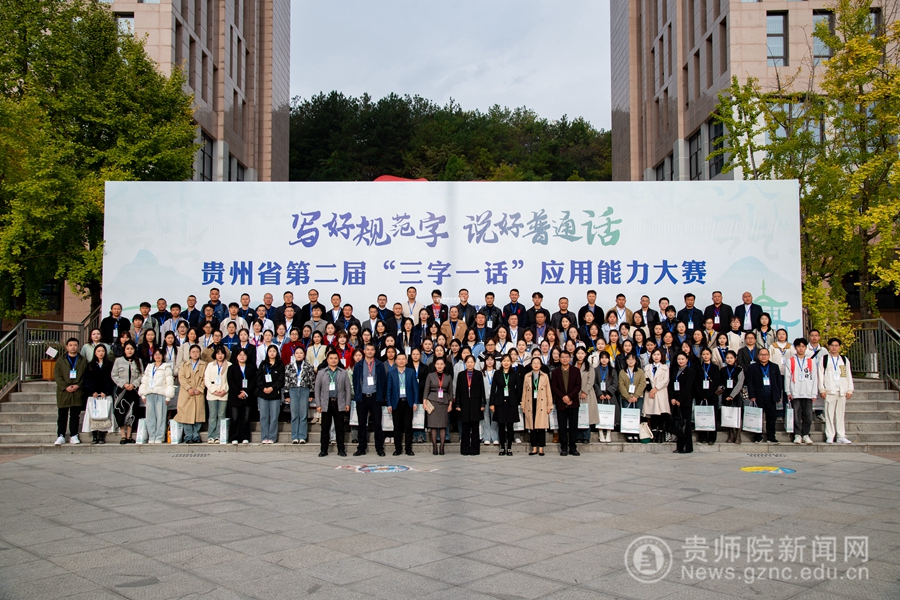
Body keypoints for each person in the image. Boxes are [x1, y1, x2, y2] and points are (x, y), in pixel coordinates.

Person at [353, 343, 387, 457]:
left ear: (375, 351)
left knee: (377, 424)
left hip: (375, 397)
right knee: (362, 424)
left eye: (372, 349)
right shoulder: (358, 365)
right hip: (362, 397)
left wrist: (381, 395)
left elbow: (383, 381)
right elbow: (355, 381)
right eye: (368, 349)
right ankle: (361, 448)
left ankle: (379, 448)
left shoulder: (379, 365)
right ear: (364, 351)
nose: (370, 351)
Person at [315, 351, 352, 457]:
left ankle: (341, 449)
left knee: (340, 428)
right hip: (326, 403)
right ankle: (323, 450)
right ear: (327, 360)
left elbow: (348, 389)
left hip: (339, 403)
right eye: (331, 358)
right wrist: (318, 404)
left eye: (335, 358)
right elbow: (317, 389)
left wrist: (347, 403)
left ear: (338, 359)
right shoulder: (321, 372)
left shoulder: (343, 372)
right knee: (325, 428)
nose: (333, 360)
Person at [819, 338, 854, 444]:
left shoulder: (844, 359)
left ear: (839, 347)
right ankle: (830, 435)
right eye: (832, 345)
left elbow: (848, 374)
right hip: (830, 390)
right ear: (829, 346)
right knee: (829, 413)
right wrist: (822, 389)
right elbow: (820, 374)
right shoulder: (824, 359)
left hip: (842, 390)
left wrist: (850, 389)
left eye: (836, 345)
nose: (834, 347)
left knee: (840, 413)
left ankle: (841, 435)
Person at [53, 337, 87, 445]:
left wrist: (78, 385)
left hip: (77, 391)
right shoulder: (61, 360)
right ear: (67, 347)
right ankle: (61, 435)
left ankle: (74, 435)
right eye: (71, 345)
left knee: (75, 415)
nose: (73, 347)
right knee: (62, 415)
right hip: (64, 391)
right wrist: (65, 386)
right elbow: (57, 375)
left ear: (78, 347)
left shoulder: (83, 360)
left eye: (75, 345)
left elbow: (85, 375)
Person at [138, 348, 175, 443]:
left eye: (159, 354)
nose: (157, 356)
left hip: (161, 394)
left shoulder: (166, 367)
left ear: (163, 356)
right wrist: (143, 394)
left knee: (161, 416)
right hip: (150, 393)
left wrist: (168, 396)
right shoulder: (149, 366)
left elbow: (169, 382)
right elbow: (144, 381)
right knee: (150, 416)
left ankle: (159, 437)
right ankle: (152, 436)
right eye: (155, 354)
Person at [745, 348, 782, 444]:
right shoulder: (752, 367)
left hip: (771, 397)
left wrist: (778, 395)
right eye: (761, 354)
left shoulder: (774, 367)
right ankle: (758, 436)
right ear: (758, 356)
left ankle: (771, 437)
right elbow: (749, 382)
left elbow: (778, 381)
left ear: (769, 356)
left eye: (765, 354)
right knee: (758, 417)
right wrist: (751, 395)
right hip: (758, 397)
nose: (763, 356)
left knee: (771, 418)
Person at [784, 338, 816, 445]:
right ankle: (797, 434)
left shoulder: (811, 361)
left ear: (806, 348)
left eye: (803, 346)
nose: (801, 349)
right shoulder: (791, 361)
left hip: (808, 392)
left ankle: (806, 434)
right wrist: (788, 391)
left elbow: (814, 378)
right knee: (796, 415)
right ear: (795, 348)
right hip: (795, 392)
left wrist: (814, 393)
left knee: (808, 415)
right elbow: (787, 377)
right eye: (798, 346)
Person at [386, 352, 419, 456]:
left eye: (403, 359)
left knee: (408, 426)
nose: (401, 361)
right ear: (396, 361)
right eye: (399, 359)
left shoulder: (411, 372)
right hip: (396, 402)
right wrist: (389, 404)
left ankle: (408, 449)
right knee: (397, 427)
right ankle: (398, 449)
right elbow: (388, 390)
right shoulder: (391, 373)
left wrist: (415, 402)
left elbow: (415, 388)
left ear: (406, 361)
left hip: (408, 402)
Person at [550, 350, 582, 456]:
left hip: (573, 402)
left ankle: (573, 447)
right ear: (559, 359)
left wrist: (569, 397)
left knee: (573, 426)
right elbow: (554, 387)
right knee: (562, 426)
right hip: (561, 402)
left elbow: (578, 386)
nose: (565, 359)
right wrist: (563, 397)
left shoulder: (576, 370)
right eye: (562, 357)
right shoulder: (555, 372)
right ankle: (564, 447)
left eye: (567, 357)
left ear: (570, 358)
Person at [111, 341, 143, 444]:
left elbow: (141, 375)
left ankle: (129, 436)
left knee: (132, 412)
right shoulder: (118, 360)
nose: (130, 351)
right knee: (120, 412)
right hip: (121, 390)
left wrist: (134, 384)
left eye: (131, 349)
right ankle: (123, 436)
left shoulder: (138, 361)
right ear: (124, 350)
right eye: (128, 349)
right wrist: (124, 384)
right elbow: (114, 375)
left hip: (133, 390)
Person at [519, 356, 551, 455]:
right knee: (532, 427)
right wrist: (523, 404)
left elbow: (548, 392)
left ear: (541, 365)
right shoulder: (527, 376)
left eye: (538, 363)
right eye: (534, 363)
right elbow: (524, 391)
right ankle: (534, 447)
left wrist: (549, 405)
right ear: (531, 365)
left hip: (541, 403)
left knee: (541, 427)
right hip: (530, 403)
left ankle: (541, 447)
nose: (536, 365)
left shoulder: (545, 376)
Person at [454, 355, 485, 455]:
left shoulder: (479, 374)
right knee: (465, 428)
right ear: (465, 363)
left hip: (476, 403)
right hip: (464, 404)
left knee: (475, 428)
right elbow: (458, 390)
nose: (470, 364)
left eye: (472, 362)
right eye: (468, 362)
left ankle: (475, 449)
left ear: (474, 363)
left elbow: (482, 389)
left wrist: (482, 403)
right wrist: (457, 404)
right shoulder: (461, 375)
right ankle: (465, 449)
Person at [84, 345, 115, 444]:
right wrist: (92, 391)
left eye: (102, 351)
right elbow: (87, 380)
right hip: (93, 395)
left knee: (103, 415)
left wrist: (105, 391)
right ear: (95, 352)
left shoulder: (110, 365)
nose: (101, 353)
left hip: (105, 394)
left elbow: (111, 380)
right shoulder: (90, 365)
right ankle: (94, 436)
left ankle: (101, 436)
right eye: (98, 351)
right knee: (93, 415)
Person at [175, 344, 206, 443]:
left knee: (198, 414)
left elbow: (206, 378)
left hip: (198, 392)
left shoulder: (204, 365)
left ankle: (196, 434)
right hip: (187, 393)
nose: (195, 354)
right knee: (186, 414)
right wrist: (188, 388)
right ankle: (188, 435)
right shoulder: (184, 364)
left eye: (197, 352)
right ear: (189, 353)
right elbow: (181, 378)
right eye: (193, 352)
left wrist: (200, 388)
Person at [423, 356, 453, 455]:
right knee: (433, 426)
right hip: (432, 401)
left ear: (444, 365)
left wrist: (450, 404)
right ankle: (435, 445)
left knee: (443, 425)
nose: (439, 366)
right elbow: (426, 389)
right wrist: (424, 402)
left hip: (444, 402)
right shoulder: (430, 375)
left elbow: (450, 391)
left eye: (441, 364)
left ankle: (442, 446)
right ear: (435, 365)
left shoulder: (448, 377)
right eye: (438, 364)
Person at [285, 346, 314, 444]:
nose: (299, 355)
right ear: (294, 355)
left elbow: (312, 380)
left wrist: (311, 393)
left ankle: (302, 436)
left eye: (301, 353)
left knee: (303, 414)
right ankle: (294, 436)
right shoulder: (289, 366)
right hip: (293, 389)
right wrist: (286, 394)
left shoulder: (309, 366)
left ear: (304, 354)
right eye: (297, 353)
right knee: (294, 414)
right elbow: (286, 381)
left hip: (304, 389)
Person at [668, 352, 696, 454]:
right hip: (675, 401)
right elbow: (670, 385)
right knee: (678, 425)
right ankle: (679, 446)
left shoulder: (690, 371)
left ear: (687, 360)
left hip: (684, 401)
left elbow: (688, 387)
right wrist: (672, 398)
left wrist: (680, 399)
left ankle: (687, 447)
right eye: (679, 359)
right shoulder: (675, 370)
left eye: (682, 359)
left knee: (686, 424)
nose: (680, 361)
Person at [227, 348, 257, 444]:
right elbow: (230, 381)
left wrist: (246, 392)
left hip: (247, 396)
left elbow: (253, 381)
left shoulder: (251, 368)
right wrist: (238, 393)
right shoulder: (231, 368)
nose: (242, 357)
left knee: (246, 418)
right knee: (235, 418)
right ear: (236, 356)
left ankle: (245, 436)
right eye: (240, 355)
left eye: (244, 355)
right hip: (235, 397)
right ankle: (234, 437)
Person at [257, 345, 285, 444]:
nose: (272, 353)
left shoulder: (280, 365)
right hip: (263, 393)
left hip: (275, 393)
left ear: (277, 353)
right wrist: (263, 388)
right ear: (267, 353)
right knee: (263, 416)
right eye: (270, 351)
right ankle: (264, 436)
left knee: (274, 416)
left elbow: (281, 380)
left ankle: (272, 437)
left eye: (274, 351)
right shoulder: (263, 364)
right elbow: (258, 378)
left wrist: (272, 388)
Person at [203, 347, 231, 443]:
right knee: (212, 415)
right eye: (218, 353)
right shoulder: (210, 365)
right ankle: (211, 435)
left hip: (224, 394)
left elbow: (230, 380)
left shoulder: (229, 365)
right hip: (212, 394)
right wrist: (213, 390)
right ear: (215, 354)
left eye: (222, 353)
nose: (220, 356)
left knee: (221, 415)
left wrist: (224, 390)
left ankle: (219, 435)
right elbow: (206, 379)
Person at [617, 352, 646, 443]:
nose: (631, 361)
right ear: (626, 361)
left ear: (636, 361)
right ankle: (628, 434)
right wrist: (628, 396)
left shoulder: (640, 371)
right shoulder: (622, 372)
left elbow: (642, 384)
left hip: (638, 397)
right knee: (628, 415)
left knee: (636, 415)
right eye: (629, 359)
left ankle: (635, 433)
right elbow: (621, 385)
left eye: (632, 359)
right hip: (626, 397)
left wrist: (636, 395)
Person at [642, 348, 670, 443]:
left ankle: (660, 434)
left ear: (661, 356)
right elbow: (645, 379)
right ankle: (653, 433)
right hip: (650, 393)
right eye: (654, 355)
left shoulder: (665, 367)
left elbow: (665, 381)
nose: (656, 356)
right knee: (653, 413)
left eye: (658, 354)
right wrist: (650, 389)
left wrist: (656, 388)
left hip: (660, 392)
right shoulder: (647, 367)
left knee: (661, 413)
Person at [696, 348, 722, 445]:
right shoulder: (698, 368)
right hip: (700, 395)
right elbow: (696, 383)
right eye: (703, 354)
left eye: (707, 354)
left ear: (710, 355)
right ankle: (702, 436)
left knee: (712, 417)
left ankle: (712, 437)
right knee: (701, 416)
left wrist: (709, 394)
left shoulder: (715, 367)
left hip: (712, 395)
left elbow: (716, 382)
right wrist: (701, 394)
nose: (705, 356)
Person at [720, 350, 744, 444]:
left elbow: (740, 383)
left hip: (736, 396)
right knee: (728, 414)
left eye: (731, 358)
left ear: (735, 359)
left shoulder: (739, 370)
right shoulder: (722, 370)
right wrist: (725, 393)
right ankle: (731, 434)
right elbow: (721, 383)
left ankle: (738, 435)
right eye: (727, 358)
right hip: (725, 395)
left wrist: (732, 395)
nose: (729, 359)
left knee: (738, 415)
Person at [574, 347, 597, 444]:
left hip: (587, 393)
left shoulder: (589, 366)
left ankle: (586, 436)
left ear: (585, 355)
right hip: (575, 393)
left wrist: (585, 391)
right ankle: (578, 436)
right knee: (578, 414)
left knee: (587, 414)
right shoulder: (573, 365)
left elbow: (591, 380)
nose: (580, 355)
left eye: (582, 353)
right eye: (578, 353)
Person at [592, 351, 616, 443]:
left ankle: (609, 433)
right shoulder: (595, 370)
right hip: (600, 396)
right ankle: (600, 433)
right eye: (602, 358)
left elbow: (615, 383)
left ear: (609, 359)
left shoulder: (613, 370)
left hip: (610, 396)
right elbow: (594, 383)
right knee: (600, 414)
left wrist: (609, 393)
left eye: (606, 358)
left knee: (609, 414)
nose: (604, 360)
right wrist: (599, 393)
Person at [480, 354, 500, 446]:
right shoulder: (481, 373)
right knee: (485, 418)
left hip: (495, 398)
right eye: (487, 360)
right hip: (484, 398)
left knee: (494, 418)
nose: (489, 362)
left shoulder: (497, 372)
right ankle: (486, 437)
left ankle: (495, 437)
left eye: (491, 360)